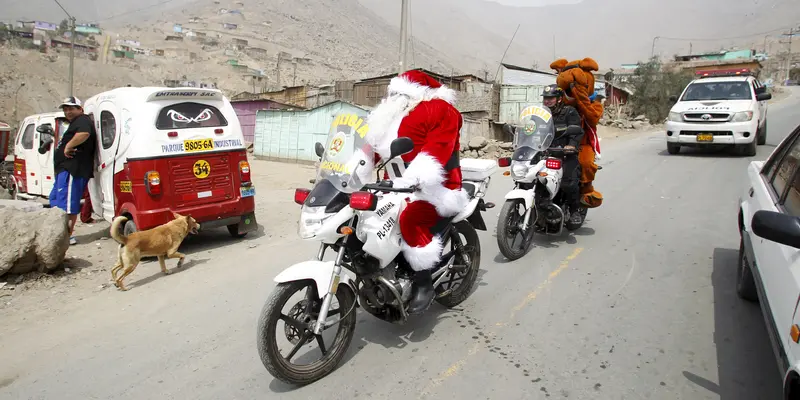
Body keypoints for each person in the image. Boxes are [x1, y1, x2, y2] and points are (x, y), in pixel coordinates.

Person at [362, 70, 468, 314]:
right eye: (394, 92)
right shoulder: (390, 118)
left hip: (435, 188)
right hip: (395, 187)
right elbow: (372, 150)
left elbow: (437, 148)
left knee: (410, 218)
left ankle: (423, 281)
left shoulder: (441, 111)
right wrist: (351, 171)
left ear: (415, 92)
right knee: (365, 216)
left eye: (401, 92)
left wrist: (415, 178)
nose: (394, 97)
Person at [50, 96, 97, 245]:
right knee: (56, 201)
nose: (67, 112)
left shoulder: (82, 120)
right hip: (64, 170)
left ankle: (66, 236)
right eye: (65, 109)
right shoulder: (74, 123)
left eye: (71, 108)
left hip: (73, 170)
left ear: (80, 109)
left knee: (67, 205)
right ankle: (59, 233)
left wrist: (68, 146)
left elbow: (84, 133)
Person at [541, 84, 584, 225]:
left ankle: (574, 211)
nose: (547, 101)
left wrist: (571, 145)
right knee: (528, 177)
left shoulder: (569, 112)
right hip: (544, 152)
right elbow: (531, 128)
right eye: (545, 98)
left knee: (568, 182)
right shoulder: (541, 113)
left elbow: (577, 131)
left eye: (551, 98)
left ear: (559, 99)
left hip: (564, 153)